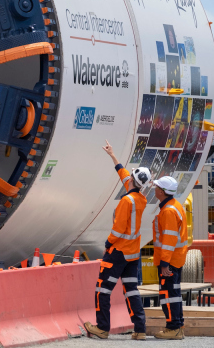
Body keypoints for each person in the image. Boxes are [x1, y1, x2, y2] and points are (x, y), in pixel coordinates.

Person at [84, 141, 151, 340]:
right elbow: (125, 177)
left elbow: (118, 230)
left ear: (132, 180)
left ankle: (102, 328)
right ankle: (140, 330)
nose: (127, 177)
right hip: (132, 255)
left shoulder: (125, 201)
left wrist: (107, 244)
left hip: (118, 252)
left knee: (102, 290)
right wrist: (113, 157)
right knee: (131, 290)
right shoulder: (140, 199)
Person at [152, 176, 188, 340]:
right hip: (175, 258)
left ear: (161, 191)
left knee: (168, 294)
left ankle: (173, 328)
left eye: (157, 187)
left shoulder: (168, 211)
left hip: (170, 261)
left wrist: (164, 263)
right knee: (174, 293)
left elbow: (169, 239)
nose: (154, 189)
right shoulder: (175, 206)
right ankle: (177, 326)